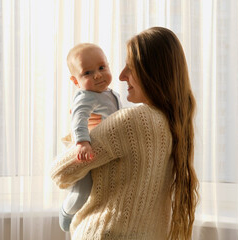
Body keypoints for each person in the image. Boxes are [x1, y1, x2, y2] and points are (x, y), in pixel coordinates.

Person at [51, 27, 199, 239]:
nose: (120, 76)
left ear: (151, 72)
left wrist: (83, 135)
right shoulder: (175, 122)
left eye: (130, 67)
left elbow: (60, 172)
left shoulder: (130, 121)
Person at [59, 43, 122, 232]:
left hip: (100, 148)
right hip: (84, 149)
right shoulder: (86, 96)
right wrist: (82, 142)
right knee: (82, 191)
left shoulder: (110, 93)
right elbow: (78, 119)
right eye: (87, 73)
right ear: (75, 80)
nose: (97, 75)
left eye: (102, 67)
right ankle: (66, 212)